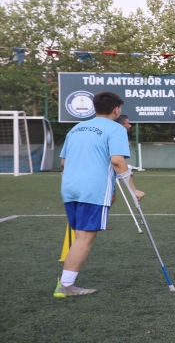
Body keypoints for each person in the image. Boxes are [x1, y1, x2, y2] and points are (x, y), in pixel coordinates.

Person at [54, 92, 144, 298]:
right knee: (84, 238)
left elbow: (63, 163)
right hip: (92, 189)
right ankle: (65, 285)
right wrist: (134, 189)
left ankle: (66, 283)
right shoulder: (116, 129)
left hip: (69, 187)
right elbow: (117, 162)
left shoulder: (76, 128)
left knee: (79, 236)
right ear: (116, 109)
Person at [110, 114, 145, 206]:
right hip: (100, 173)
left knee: (112, 196)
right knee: (105, 197)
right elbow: (117, 161)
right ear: (122, 125)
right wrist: (133, 189)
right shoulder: (118, 133)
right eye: (128, 123)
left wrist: (125, 171)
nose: (130, 126)